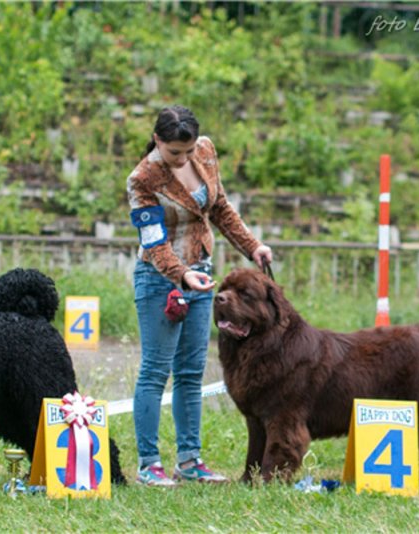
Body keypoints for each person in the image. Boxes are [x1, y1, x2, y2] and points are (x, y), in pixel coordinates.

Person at [126, 105, 273, 486]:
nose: (184, 159)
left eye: (188, 151)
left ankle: (189, 461)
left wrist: (252, 247)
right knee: (155, 371)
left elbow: (221, 208)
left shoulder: (205, 150)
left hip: (203, 277)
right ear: (158, 141)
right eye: (175, 153)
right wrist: (181, 273)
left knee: (191, 372)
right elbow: (155, 243)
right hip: (160, 279)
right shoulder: (142, 178)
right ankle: (148, 464)